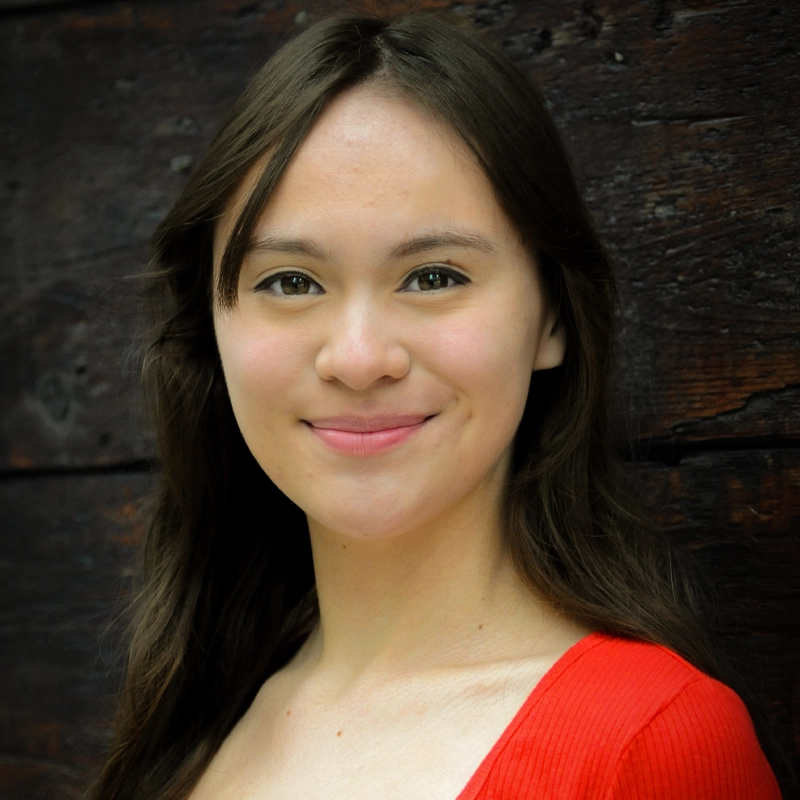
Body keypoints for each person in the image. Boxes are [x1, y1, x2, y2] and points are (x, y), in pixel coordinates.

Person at [89, 11, 785, 800]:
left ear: (551, 316)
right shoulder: (188, 728)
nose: (357, 359)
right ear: (211, 325)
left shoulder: (654, 744)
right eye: (290, 281)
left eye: (433, 276)